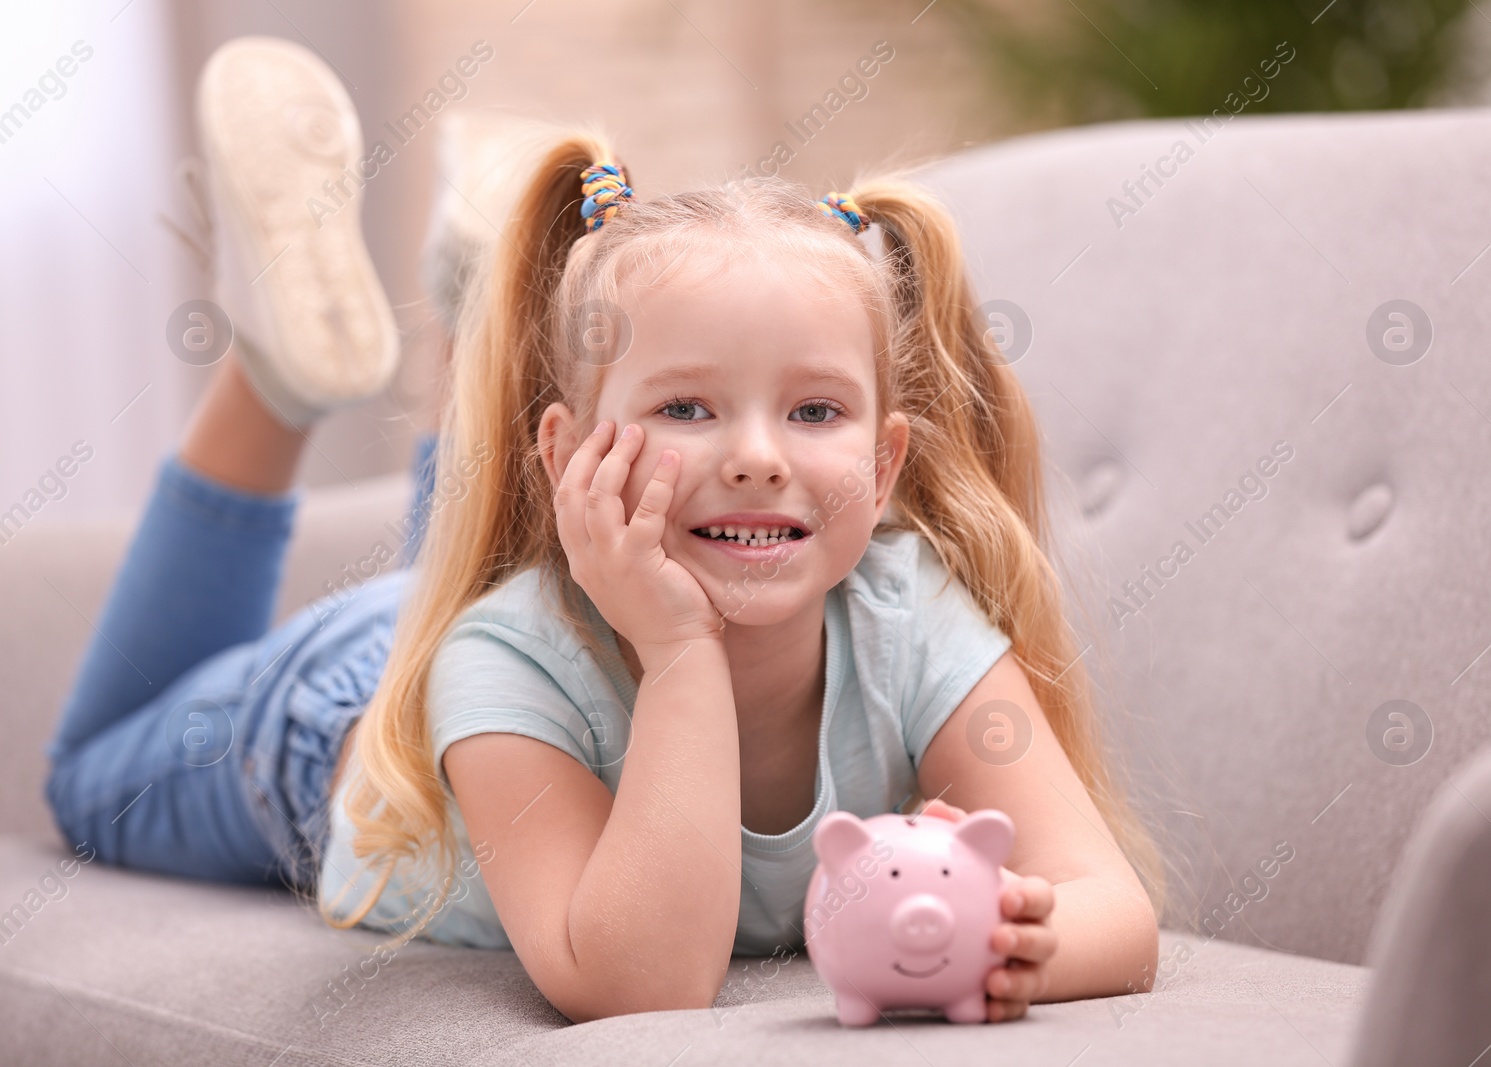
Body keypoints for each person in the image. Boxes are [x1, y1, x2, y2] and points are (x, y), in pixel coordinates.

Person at [44, 36, 1164, 1026]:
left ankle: (465, 301)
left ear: (883, 468)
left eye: (814, 409)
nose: (758, 455)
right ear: (570, 455)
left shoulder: (900, 604)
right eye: (687, 406)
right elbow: (640, 982)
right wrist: (680, 651)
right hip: (336, 720)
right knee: (89, 778)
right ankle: (276, 377)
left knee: (493, 579)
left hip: (543, 592)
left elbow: (1111, 904)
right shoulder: (499, 658)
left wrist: (1024, 946)